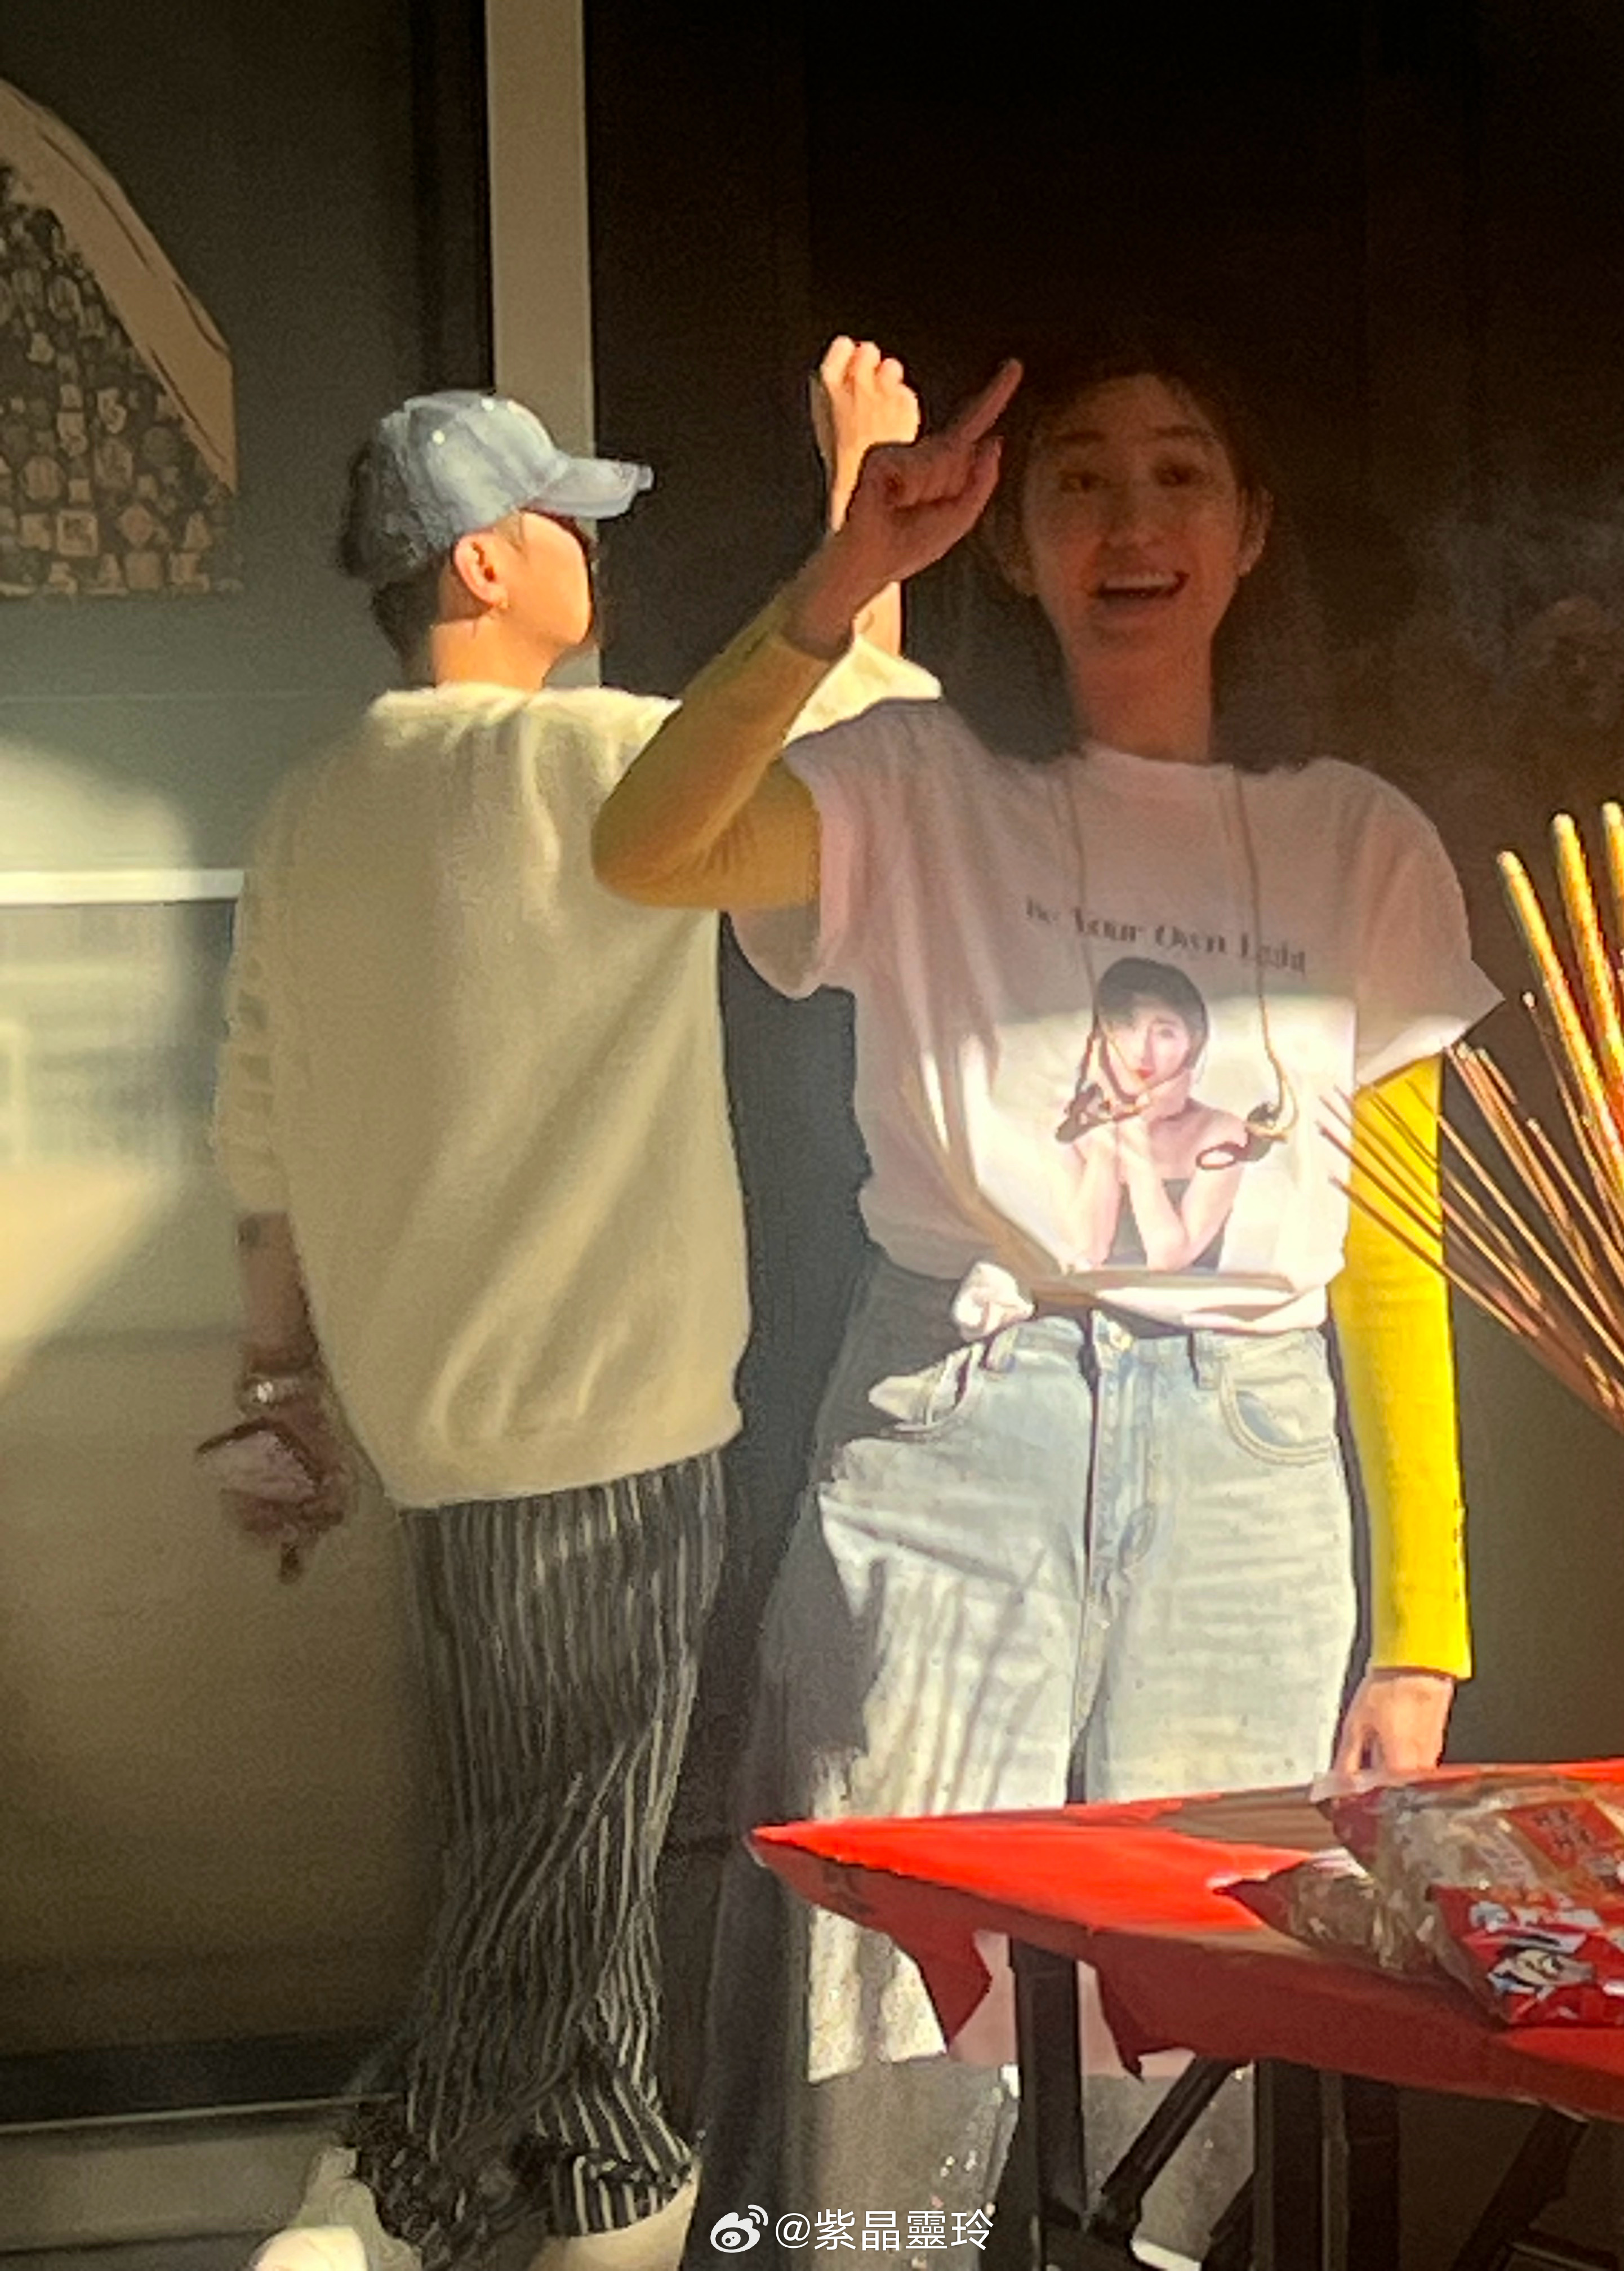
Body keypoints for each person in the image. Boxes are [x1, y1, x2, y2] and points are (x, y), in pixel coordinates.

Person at [590, 332, 1498, 2259]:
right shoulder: (911, 778)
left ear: (1251, 528)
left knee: (1200, 2031)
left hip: (1250, 1470)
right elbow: (645, 846)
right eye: (1080, 476)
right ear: (1011, 541)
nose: (1131, 521)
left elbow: (1395, 1238)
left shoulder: (1358, 838)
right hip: (954, 1432)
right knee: (873, 2019)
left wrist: (1420, 1621)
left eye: (1181, 474)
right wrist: (841, 580)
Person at [215, 343, 933, 2271]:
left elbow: (259, 1128)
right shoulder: (596, 756)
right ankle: (384, 2200)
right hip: (610, 1417)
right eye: (563, 525)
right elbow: (878, 759)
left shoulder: (309, 808)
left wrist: (278, 1386)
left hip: (434, 1431)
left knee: (561, 1861)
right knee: (561, 1860)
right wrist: (861, 502)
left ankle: (613, 2192)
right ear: (478, 563)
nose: (590, 556)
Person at [1058, 953, 1249, 1271]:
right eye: (1127, 1027)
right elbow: (1089, 1250)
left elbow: (1169, 1259)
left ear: (1192, 1045)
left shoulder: (1223, 1132)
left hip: (1190, 1301)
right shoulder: (1073, 1127)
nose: (1141, 1051)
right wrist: (1109, 1131)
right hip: (1090, 1300)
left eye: (1165, 1033)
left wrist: (1134, 1129)